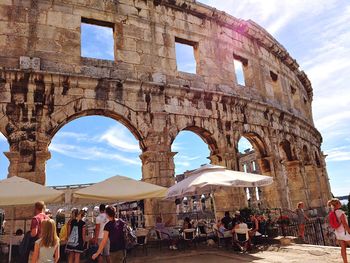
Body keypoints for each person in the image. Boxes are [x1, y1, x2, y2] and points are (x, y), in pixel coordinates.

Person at [328, 198, 350, 263]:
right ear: (336, 204)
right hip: (344, 233)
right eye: (339, 202)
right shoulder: (340, 212)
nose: (340, 203)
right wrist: (349, 231)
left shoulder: (332, 213)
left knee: (343, 248)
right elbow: (344, 223)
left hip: (338, 233)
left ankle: (345, 262)